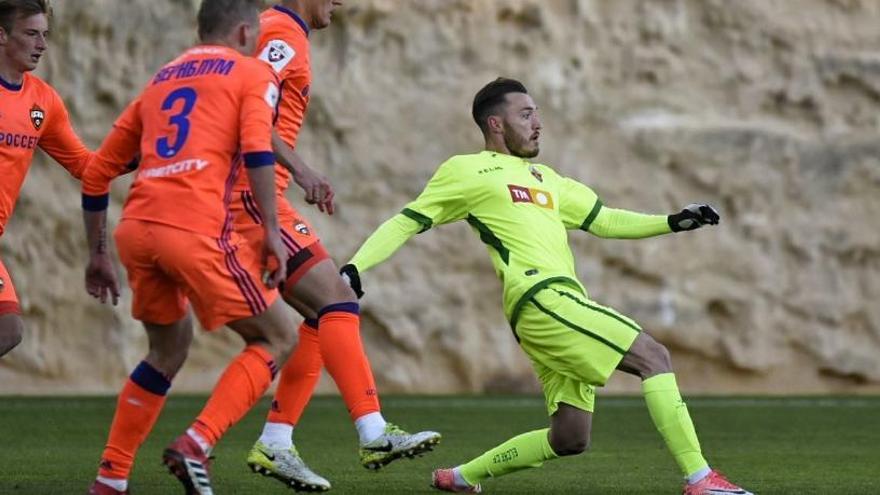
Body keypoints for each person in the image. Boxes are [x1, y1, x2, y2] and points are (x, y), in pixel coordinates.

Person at [339, 78, 753, 495]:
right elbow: (407, 220)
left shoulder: (547, 178)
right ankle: (701, 480)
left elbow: (606, 220)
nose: (538, 123)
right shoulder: (465, 169)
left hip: (556, 305)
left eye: (536, 112)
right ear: (495, 124)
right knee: (653, 355)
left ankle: (462, 478)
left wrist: (672, 221)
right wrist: (357, 265)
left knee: (570, 437)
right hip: (540, 298)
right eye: (526, 114)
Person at [82, 1, 299, 494]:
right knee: (278, 336)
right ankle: (197, 442)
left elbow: (97, 173)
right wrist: (270, 230)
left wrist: (96, 254)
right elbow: (259, 149)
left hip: (136, 230)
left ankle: (110, 479)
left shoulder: (162, 79)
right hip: (194, 228)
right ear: (246, 31)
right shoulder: (251, 73)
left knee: (168, 348)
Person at [234, 1, 440, 490]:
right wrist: (302, 169)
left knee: (316, 316)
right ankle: (372, 430)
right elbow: (250, 111)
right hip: (252, 196)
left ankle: (276, 441)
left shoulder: (280, 30)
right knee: (338, 300)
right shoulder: (282, 31)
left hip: (256, 194)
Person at [0, 0, 95, 357]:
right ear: (1, 36)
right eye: (30, 34)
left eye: (45, 35)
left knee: (7, 330)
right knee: (7, 328)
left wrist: (143, 149)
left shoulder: (43, 102)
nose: (41, 44)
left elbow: (86, 165)